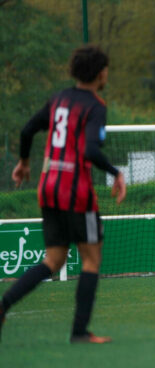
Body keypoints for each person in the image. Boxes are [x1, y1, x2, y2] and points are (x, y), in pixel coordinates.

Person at [0, 45, 126, 344]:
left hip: (48, 187)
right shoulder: (95, 105)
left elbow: (28, 129)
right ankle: (80, 332)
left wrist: (25, 162)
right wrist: (115, 172)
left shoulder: (58, 99)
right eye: (106, 69)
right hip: (77, 193)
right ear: (100, 73)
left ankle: (2, 306)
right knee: (91, 260)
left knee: (53, 260)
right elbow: (90, 150)